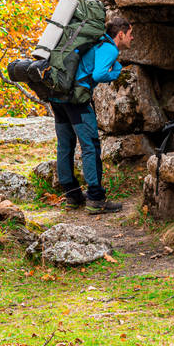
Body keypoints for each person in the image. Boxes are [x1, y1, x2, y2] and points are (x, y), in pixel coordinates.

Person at [50, 16, 134, 214]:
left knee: (65, 144)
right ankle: (96, 199)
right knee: (90, 146)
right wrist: (117, 72)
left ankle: (72, 195)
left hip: (58, 96)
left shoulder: (93, 42)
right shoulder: (109, 48)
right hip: (76, 100)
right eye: (130, 34)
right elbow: (98, 75)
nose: (132, 38)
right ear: (120, 34)